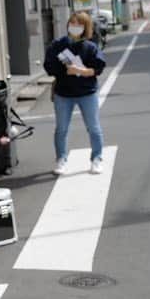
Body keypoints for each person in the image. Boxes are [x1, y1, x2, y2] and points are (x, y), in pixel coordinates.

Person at [43, 11, 107, 176]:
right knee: (61, 129)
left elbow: (98, 68)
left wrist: (80, 70)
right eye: (72, 23)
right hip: (63, 93)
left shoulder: (91, 47)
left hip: (87, 92)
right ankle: (61, 159)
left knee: (93, 128)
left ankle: (97, 159)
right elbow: (48, 66)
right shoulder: (58, 44)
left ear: (86, 27)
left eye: (79, 24)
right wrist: (62, 70)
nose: (75, 27)